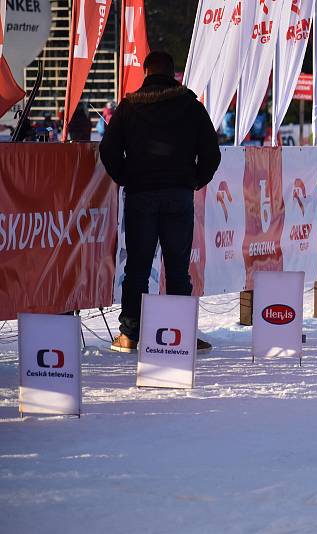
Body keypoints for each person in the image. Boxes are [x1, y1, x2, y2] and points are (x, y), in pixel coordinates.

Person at [99, 51, 221, 353]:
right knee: (178, 268)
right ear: (173, 73)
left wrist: (127, 176)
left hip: (141, 195)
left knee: (137, 267)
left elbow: (108, 150)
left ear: (145, 72)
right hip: (178, 195)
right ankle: (181, 334)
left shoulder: (128, 107)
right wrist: (193, 180)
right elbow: (212, 153)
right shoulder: (191, 107)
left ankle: (130, 334)